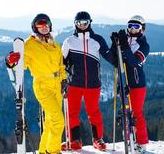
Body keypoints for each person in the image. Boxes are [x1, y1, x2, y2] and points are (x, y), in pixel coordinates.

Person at [6, 13, 67, 154]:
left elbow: (60, 65)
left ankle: (44, 150)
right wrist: (11, 61)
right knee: (58, 120)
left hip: (56, 85)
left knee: (50, 122)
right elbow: (20, 65)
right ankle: (53, 151)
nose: (44, 27)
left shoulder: (54, 44)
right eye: (40, 24)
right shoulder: (29, 45)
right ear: (35, 27)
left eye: (46, 24)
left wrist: (64, 80)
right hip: (42, 85)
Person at [61, 11, 115, 151]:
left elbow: (110, 57)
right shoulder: (69, 42)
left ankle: (97, 139)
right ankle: (75, 140)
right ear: (75, 24)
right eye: (79, 23)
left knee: (94, 112)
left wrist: (117, 47)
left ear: (90, 22)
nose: (82, 25)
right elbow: (61, 62)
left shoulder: (97, 39)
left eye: (85, 22)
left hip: (93, 83)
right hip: (74, 83)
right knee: (72, 113)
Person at [113, 15, 150, 153]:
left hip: (137, 84)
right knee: (125, 113)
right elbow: (114, 60)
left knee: (137, 113)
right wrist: (114, 45)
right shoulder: (125, 41)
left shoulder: (144, 45)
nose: (133, 30)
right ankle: (129, 138)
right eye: (130, 26)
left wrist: (123, 46)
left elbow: (134, 62)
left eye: (136, 27)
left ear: (142, 29)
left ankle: (142, 143)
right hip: (123, 81)